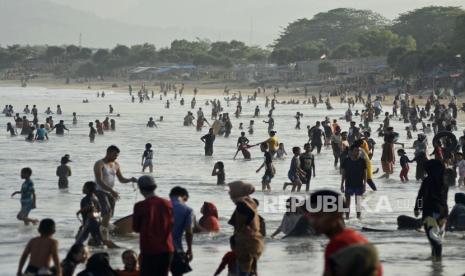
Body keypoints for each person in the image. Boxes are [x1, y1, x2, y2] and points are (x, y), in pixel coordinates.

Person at [305, 190, 382, 276]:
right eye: (310, 215)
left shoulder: (339, 245)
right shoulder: (356, 237)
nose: (313, 221)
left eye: (318, 215)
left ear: (337, 214)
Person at [94, 145, 137, 245]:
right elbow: (99, 181)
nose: (116, 157)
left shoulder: (116, 164)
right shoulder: (99, 164)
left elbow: (121, 179)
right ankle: (104, 238)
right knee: (107, 213)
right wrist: (112, 191)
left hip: (110, 192)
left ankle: (102, 229)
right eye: (114, 155)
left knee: (109, 215)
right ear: (108, 152)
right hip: (99, 191)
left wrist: (131, 179)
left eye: (117, 156)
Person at [132, 175, 173, 276]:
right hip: (167, 249)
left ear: (141, 189)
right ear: (155, 187)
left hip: (149, 249)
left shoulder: (140, 206)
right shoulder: (168, 204)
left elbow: (136, 228)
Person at [414, 159, 449, 261]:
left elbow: (421, 196)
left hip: (430, 213)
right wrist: (446, 215)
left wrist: (417, 208)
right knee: (437, 238)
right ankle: (437, 264)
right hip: (442, 213)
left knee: (434, 241)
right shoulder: (444, 181)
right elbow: (445, 200)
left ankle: (437, 262)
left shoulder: (428, 180)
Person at [227, 181, 264, 276]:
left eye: (231, 190)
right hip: (254, 242)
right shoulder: (249, 201)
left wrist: (245, 226)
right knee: (250, 270)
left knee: (242, 271)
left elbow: (250, 213)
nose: (229, 192)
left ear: (238, 191)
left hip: (245, 243)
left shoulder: (241, 204)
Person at [169, 187, 193, 276]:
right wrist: (190, 249)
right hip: (176, 248)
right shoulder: (187, 210)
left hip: (156, 248)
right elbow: (189, 232)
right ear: (185, 197)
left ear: (170, 196)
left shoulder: (160, 206)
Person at [341, 145, 367, 219]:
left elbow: (365, 173)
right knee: (347, 203)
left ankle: (358, 218)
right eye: (356, 150)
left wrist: (364, 184)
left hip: (359, 184)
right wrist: (341, 184)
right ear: (352, 152)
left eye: (359, 151)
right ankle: (347, 217)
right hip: (348, 184)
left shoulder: (362, 161)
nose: (358, 152)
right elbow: (344, 173)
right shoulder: (347, 160)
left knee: (358, 203)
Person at [75, 181, 104, 246]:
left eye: (84, 187)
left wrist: (80, 211)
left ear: (88, 189)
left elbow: (90, 206)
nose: (82, 189)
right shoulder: (95, 198)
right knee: (99, 242)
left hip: (89, 223)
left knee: (78, 242)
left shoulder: (87, 198)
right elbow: (100, 210)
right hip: (96, 223)